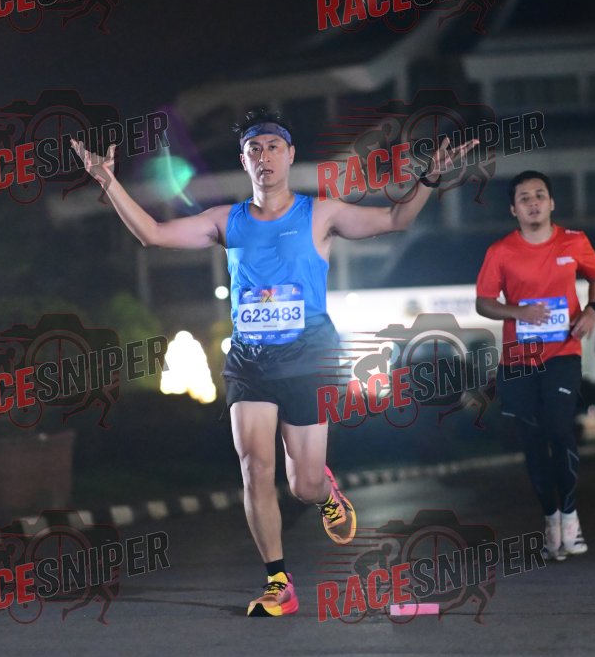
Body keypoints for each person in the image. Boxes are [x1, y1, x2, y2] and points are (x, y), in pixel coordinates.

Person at [72, 108, 476, 616]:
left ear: (290, 155)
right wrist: (108, 182)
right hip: (250, 362)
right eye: (254, 150)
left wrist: (429, 178)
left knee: (302, 483)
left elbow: (396, 219)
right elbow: (152, 233)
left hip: (310, 359)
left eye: (272, 147)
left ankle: (325, 493)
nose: (264, 157)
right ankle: (278, 583)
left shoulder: (321, 213)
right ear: (244, 162)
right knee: (254, 470)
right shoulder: (227, 221)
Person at [475, 171, 595, 560]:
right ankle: (550, 519)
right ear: (513, 209)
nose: (533, 202)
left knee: (561, 431)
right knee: (532, 442)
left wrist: (592, 310)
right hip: (519, 359)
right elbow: (484, 302)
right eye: (524, 198)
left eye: (539, 195)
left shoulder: (574, 241)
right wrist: (519, 312)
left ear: (552, 203)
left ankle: (571, 517)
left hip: (563, 352)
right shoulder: (500, 251)